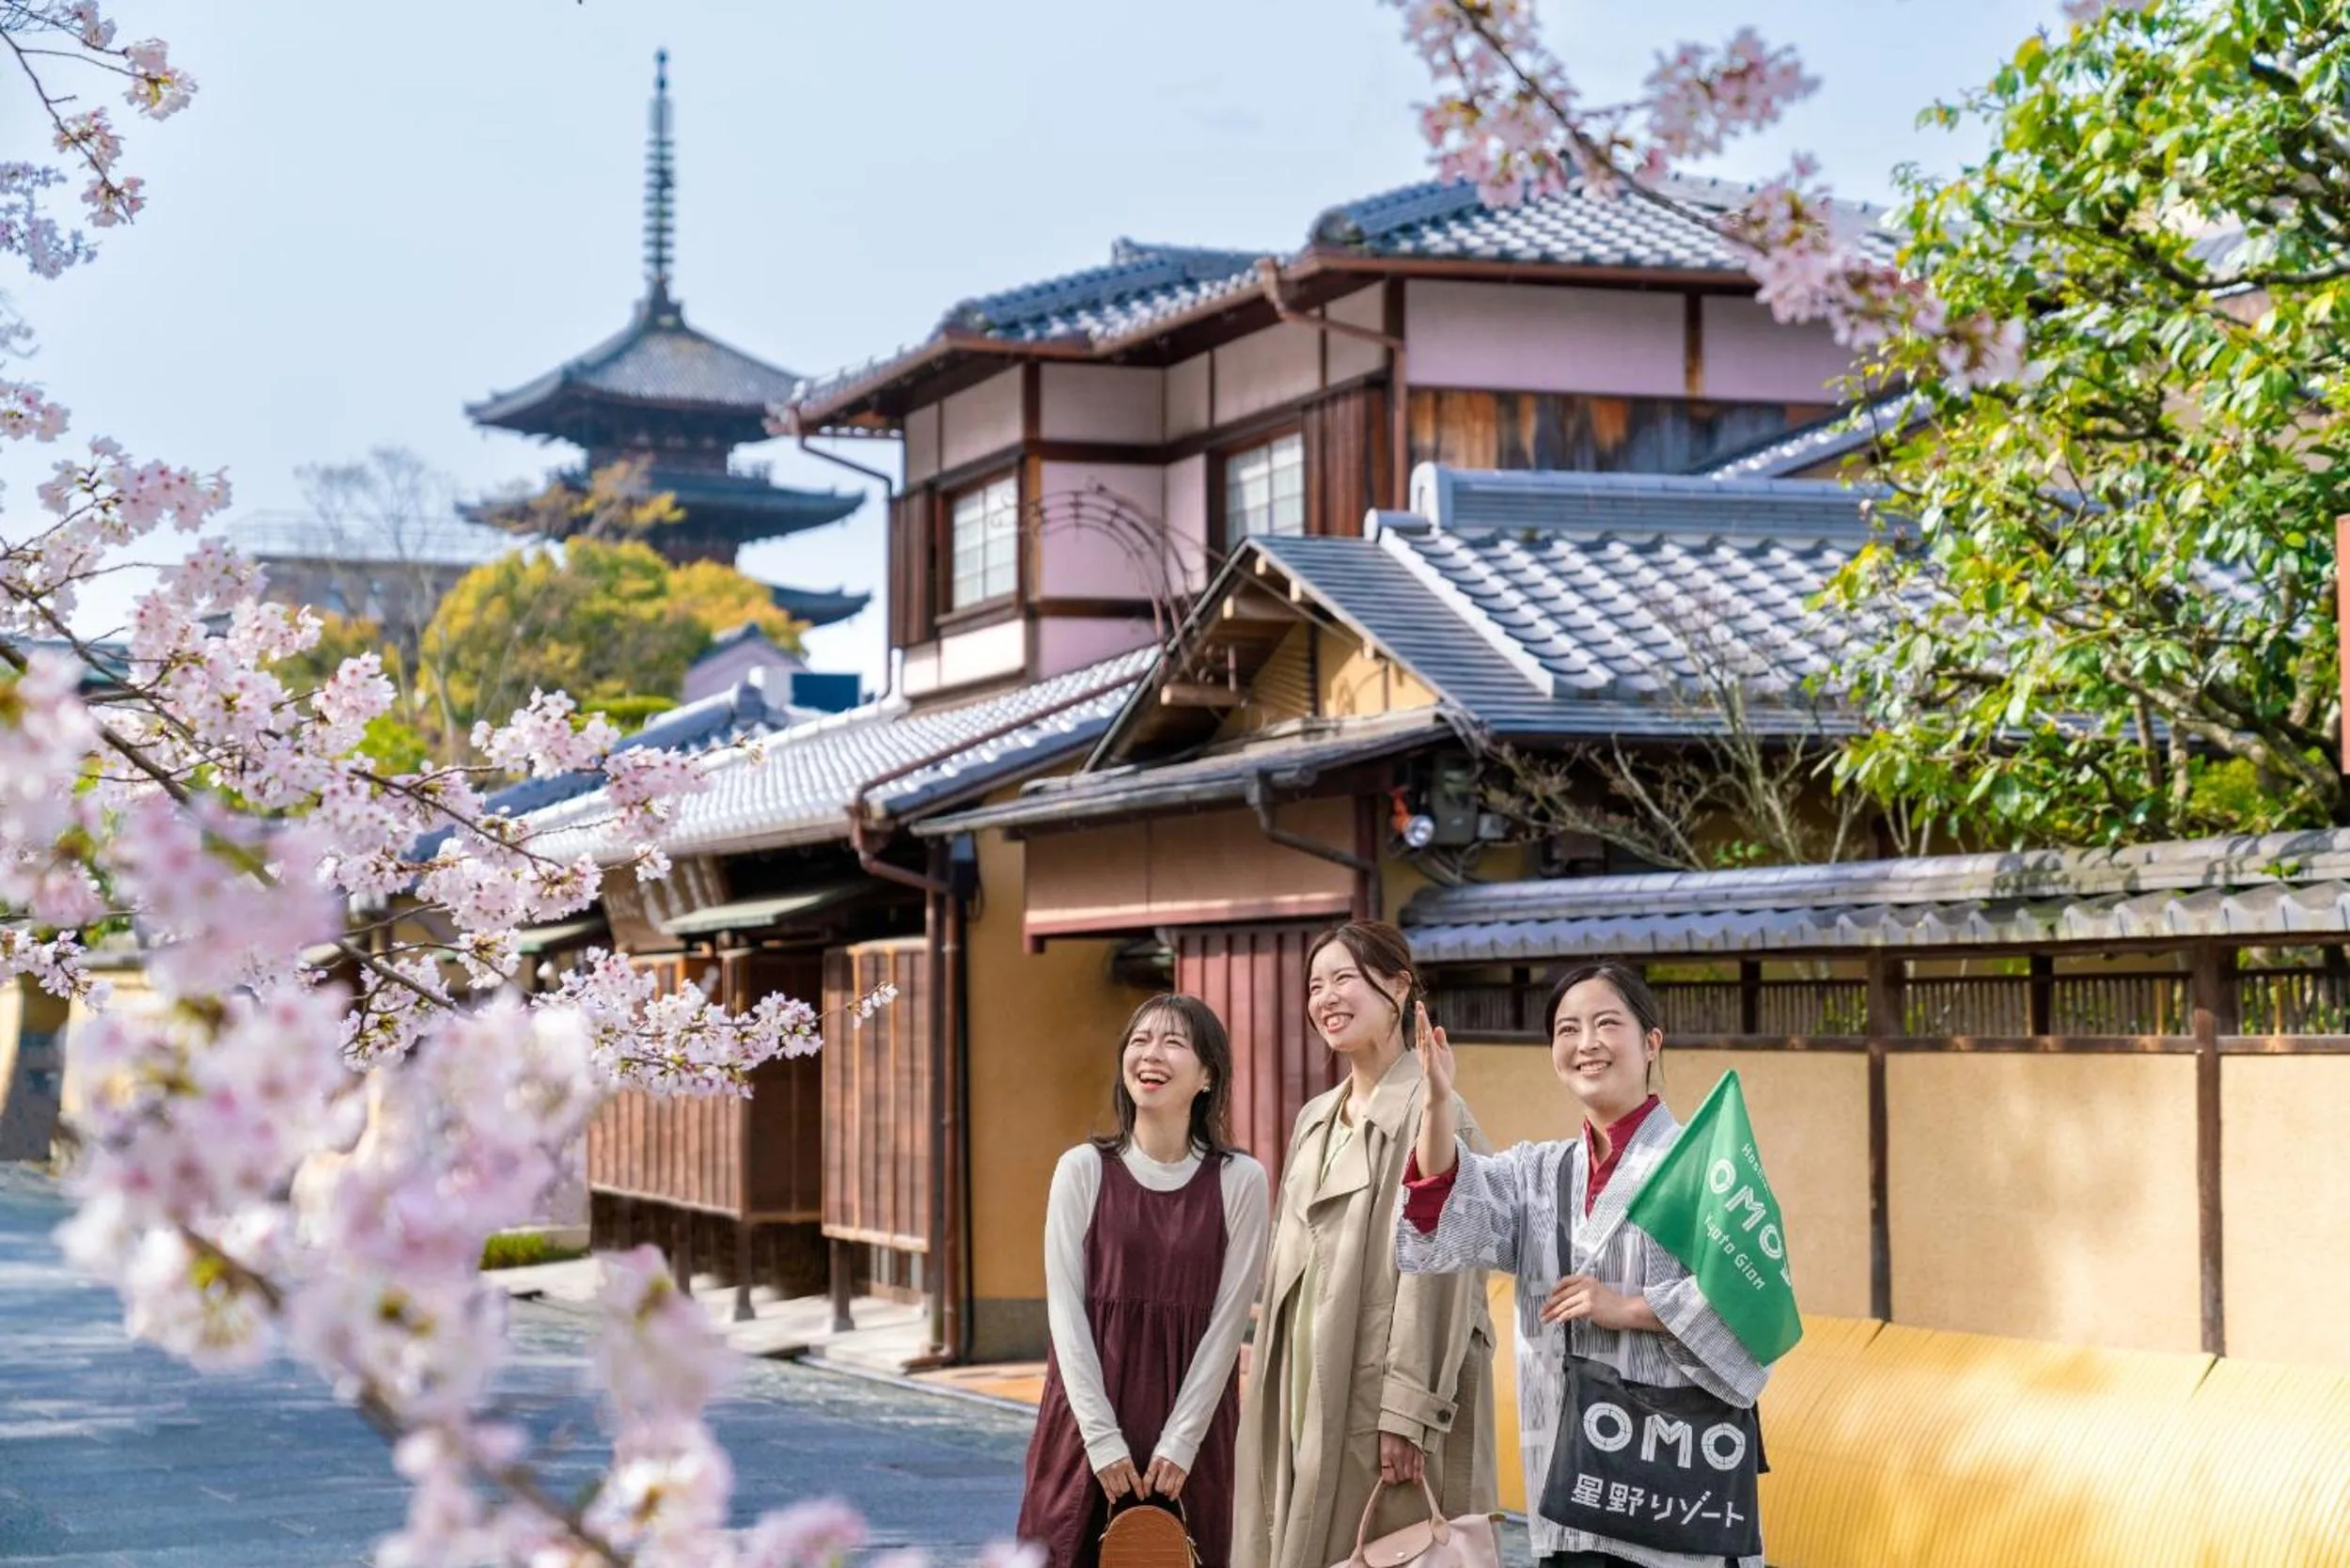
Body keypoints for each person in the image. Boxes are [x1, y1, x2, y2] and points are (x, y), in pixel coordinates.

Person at [1396, 958, 1771, 1568]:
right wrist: (1438, 1102)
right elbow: (1442, 1207)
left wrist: (1631, 1308)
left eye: (1605, 1024)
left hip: (1672, 1490)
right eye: (1567, 1030)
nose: (1586, 1044)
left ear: (1652, 1042)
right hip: (1571, 1487)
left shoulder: (1705, 1164)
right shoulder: (1540, 1171)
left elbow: (1757, 1309)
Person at [1233, 921, 1496, 1568]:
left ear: (1399, 988)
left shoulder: (1439, 1112)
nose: (1327, 997)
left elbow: (1443, 1273)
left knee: (1378, 1548)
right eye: (1316, 985)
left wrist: (1410, 1411)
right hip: (1306, 1374)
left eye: (1345, 978)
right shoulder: (1316, 1117)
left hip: (1384, 1392)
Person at [1017, 994, 1270, 1568]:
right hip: (1084, 1422)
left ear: (1208, 1075)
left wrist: (1180, 1443)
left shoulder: (1241, 1181)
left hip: (1192, 1432)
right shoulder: (1081, 1169)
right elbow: (1066, 1316)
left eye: (1173, 1042)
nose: (1150, 1054)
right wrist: (1101, 1439)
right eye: (1139, 1040)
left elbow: (1228, 1326)